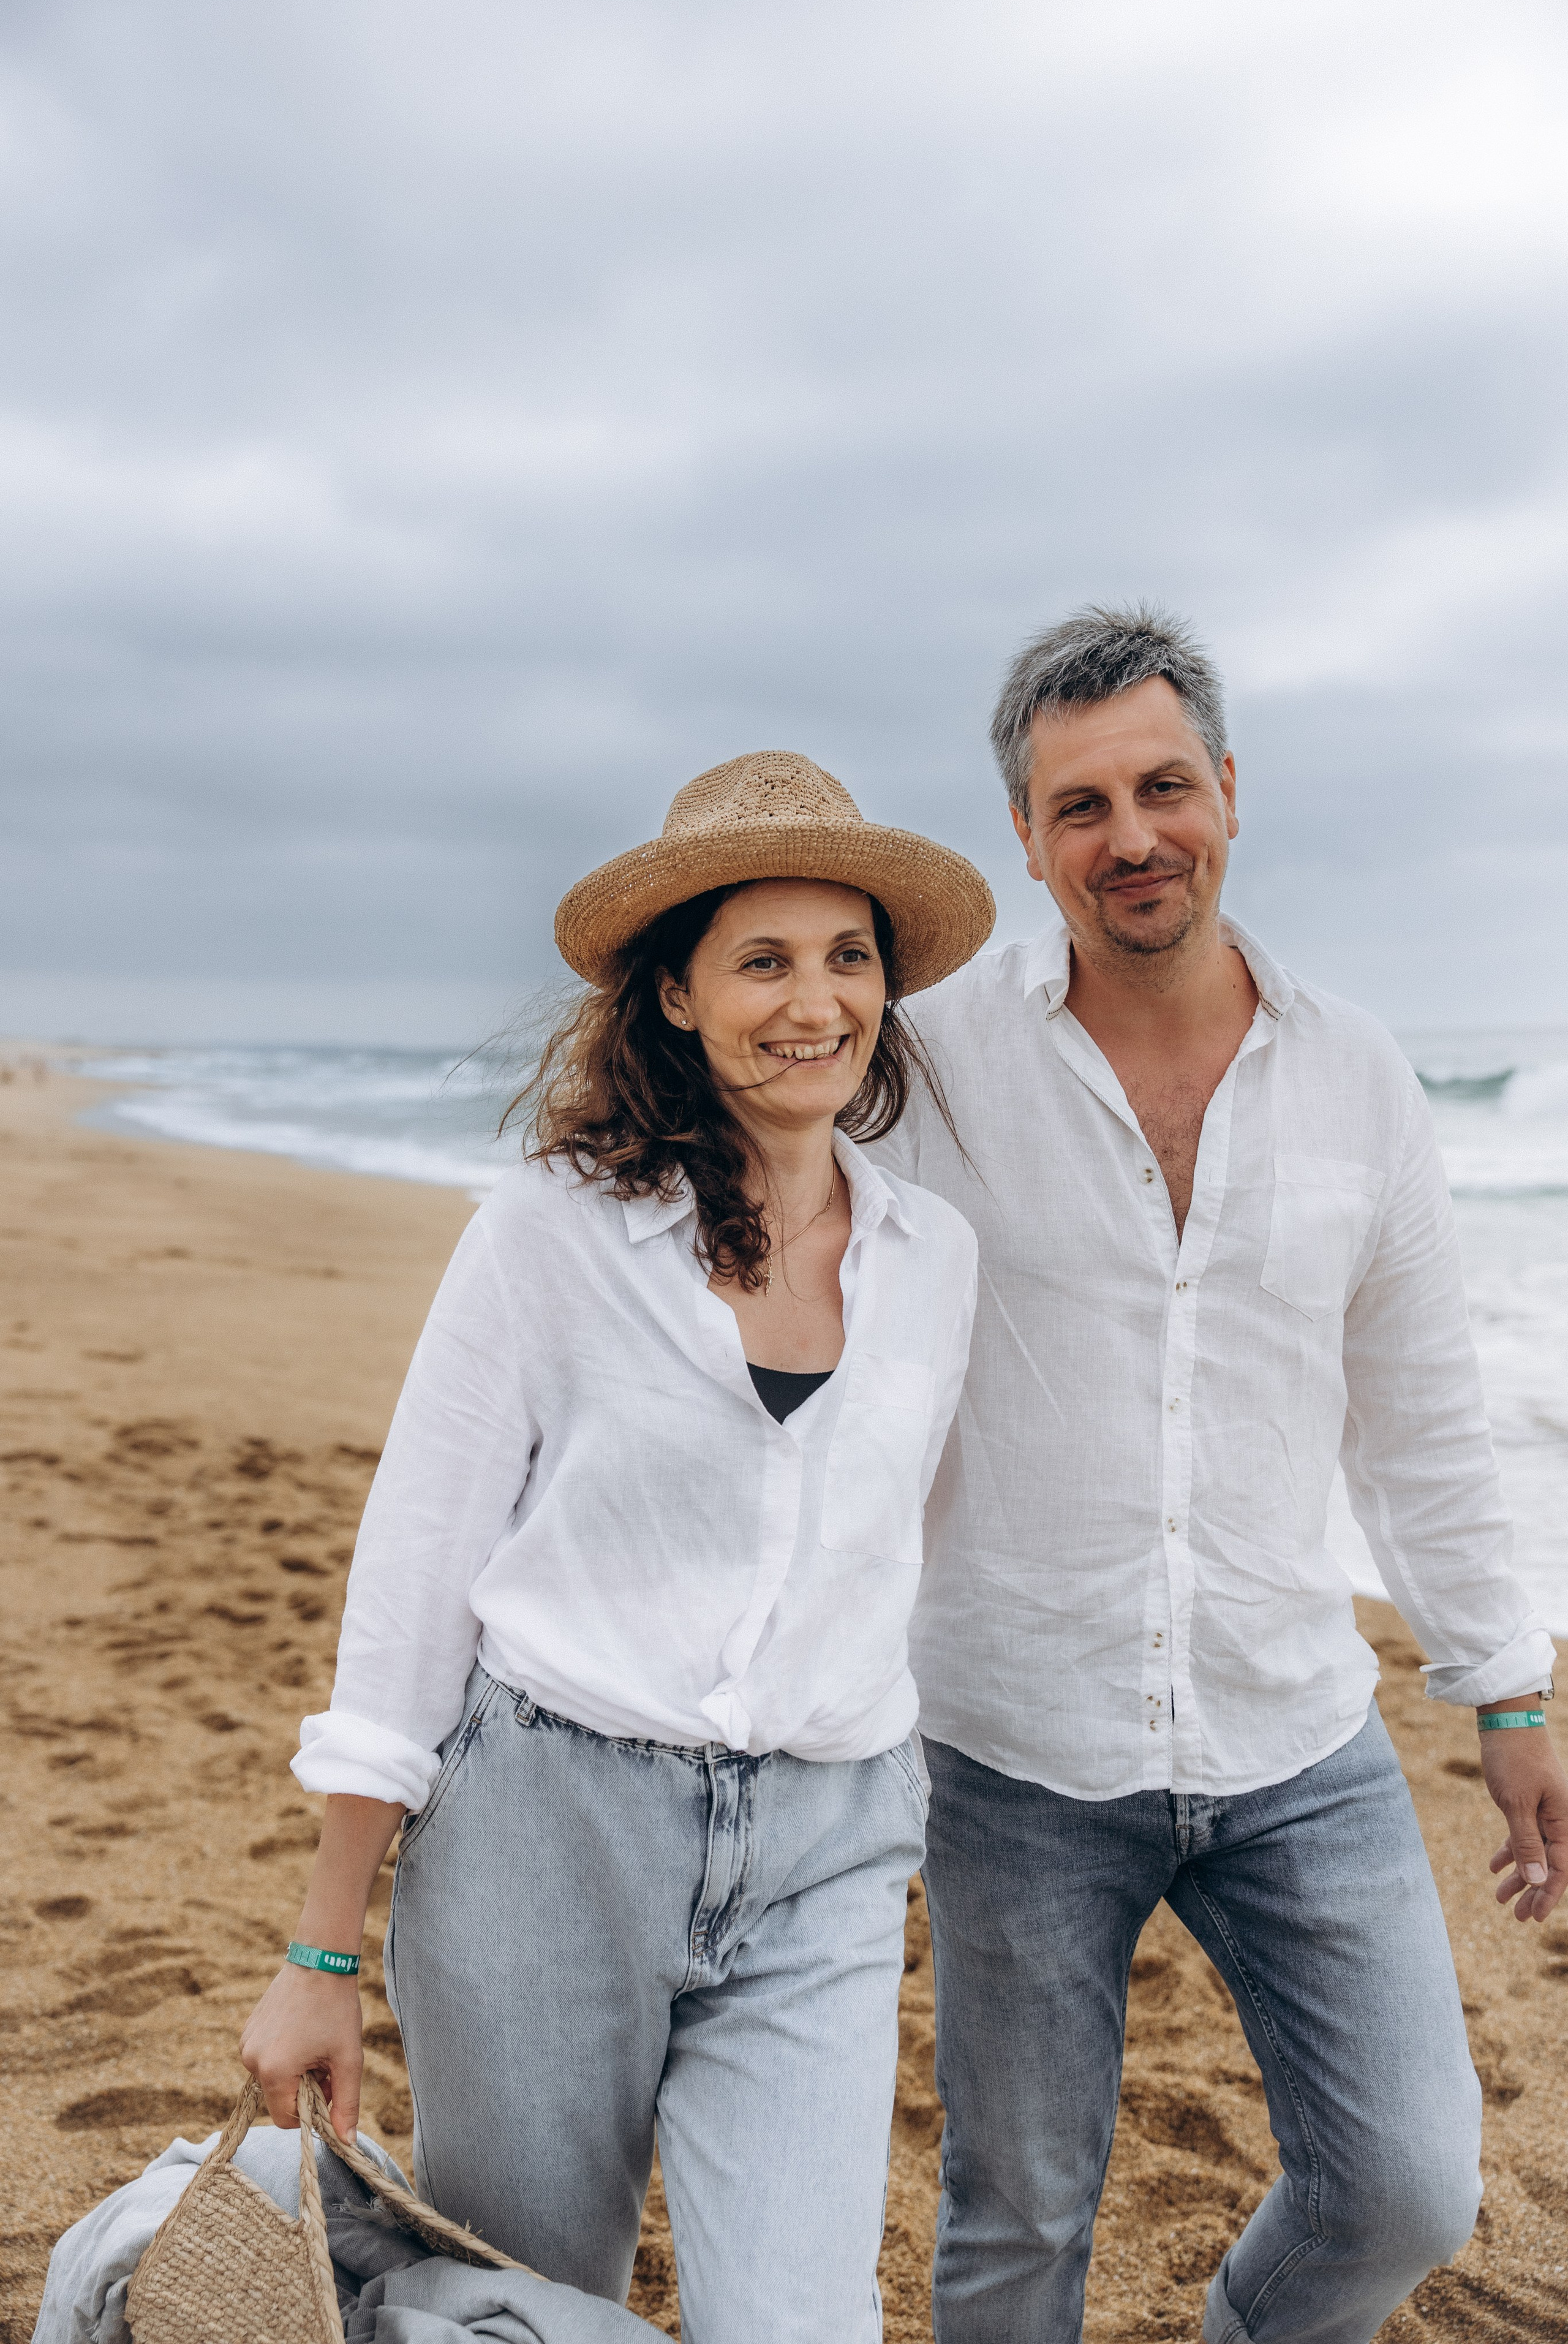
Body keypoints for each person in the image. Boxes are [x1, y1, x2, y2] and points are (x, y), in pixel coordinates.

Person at [239, 749, 993, 2344]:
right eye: (764, 960)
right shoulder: (548, 1232)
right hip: (544, 1840)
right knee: (526, 2311)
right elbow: (416, 1575)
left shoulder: (938, 1264)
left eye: (850, 957)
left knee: (802, 2324)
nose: (816, 1002)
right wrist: (322, 1944)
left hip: (827, 1860)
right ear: (675, 996)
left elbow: (897, 1562)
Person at [875, 608, 1566, 2344]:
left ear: (1232, 794)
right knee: (1016, 2217)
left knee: (1411, 2185)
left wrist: (1505, 1687)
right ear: (1027, 842)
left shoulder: (1361, 1076)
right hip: (1014, 1743)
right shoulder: (931, 1066)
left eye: (1163, 786)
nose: (1132, 838)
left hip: (1296, 1734)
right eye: (1082, 806)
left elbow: (1419, 1417)